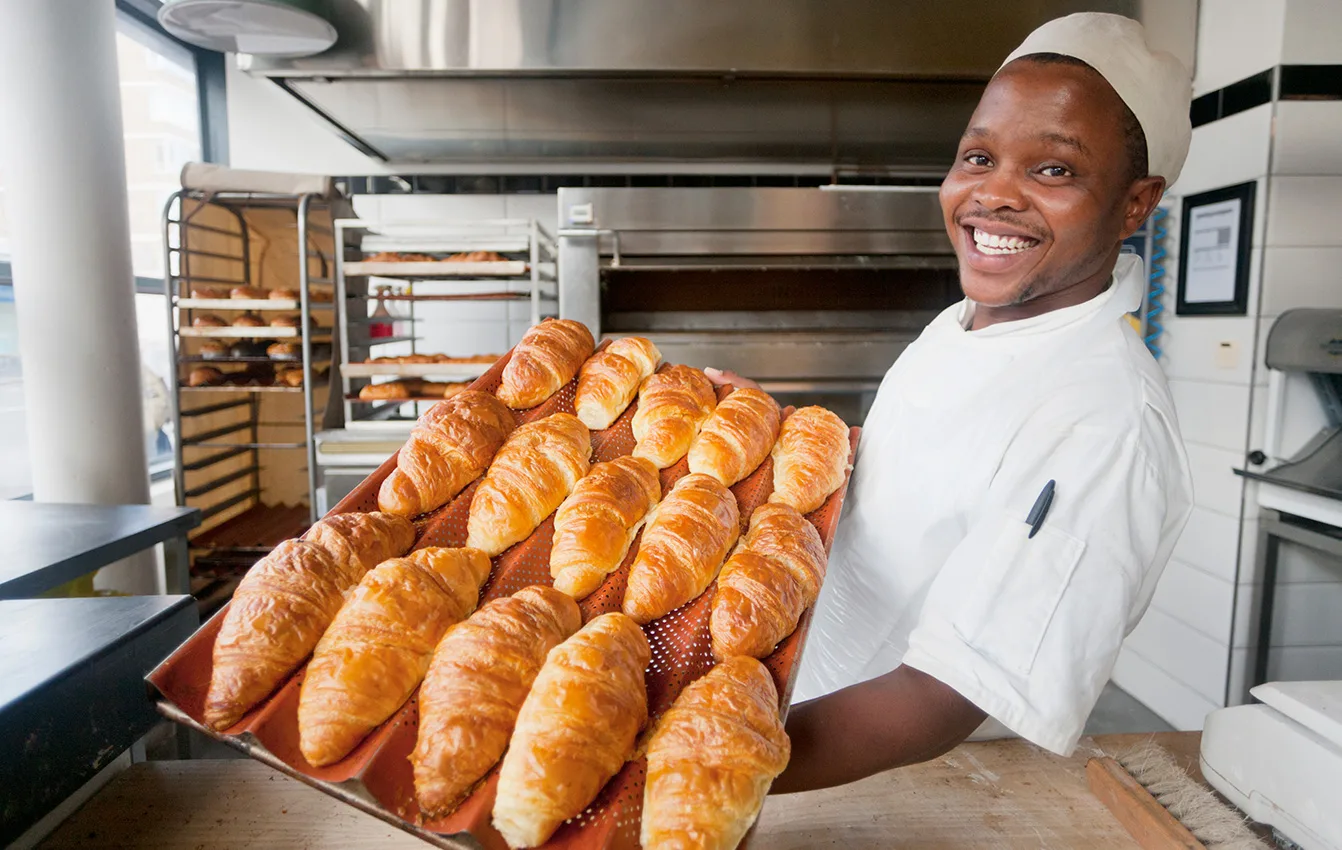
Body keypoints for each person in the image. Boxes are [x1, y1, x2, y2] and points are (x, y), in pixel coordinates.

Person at [705, 12, 1195, 793]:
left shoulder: (1105, 422)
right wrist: (772, 440)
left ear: (1136, 204)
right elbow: (915, 481)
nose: (993, 194)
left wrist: (683, 764)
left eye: (1054, 170)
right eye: (979, 156)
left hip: (873, 775)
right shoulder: (972, 322)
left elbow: (940, 700)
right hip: (781, 710)